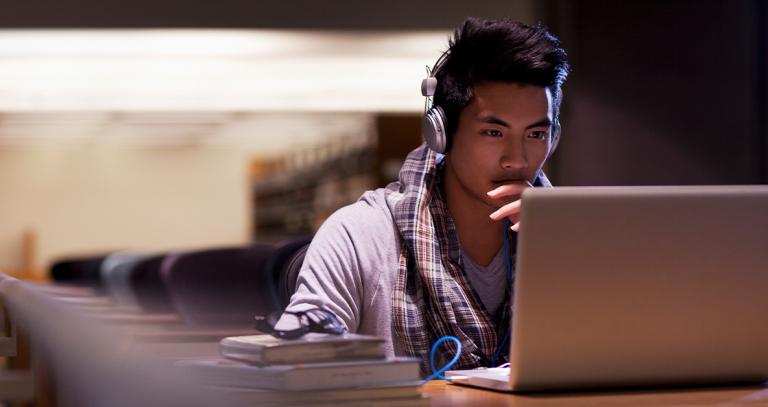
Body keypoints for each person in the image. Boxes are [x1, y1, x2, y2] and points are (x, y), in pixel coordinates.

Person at [281, 17, 569, 373]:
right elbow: (296, 365)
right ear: (441, 133)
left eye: (536, 135)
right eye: (493, 132)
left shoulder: (568, 239)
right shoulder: (359, 235)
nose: (517, 159)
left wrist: (560, 252)